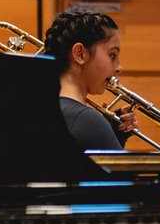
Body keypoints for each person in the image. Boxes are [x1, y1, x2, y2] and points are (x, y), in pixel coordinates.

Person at [43, 8, 138, 150]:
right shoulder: (87, 120)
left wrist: (113, 134)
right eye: (112, 55)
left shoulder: (40, 109)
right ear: (80, 54)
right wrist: (99, 128)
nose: (119, 68)